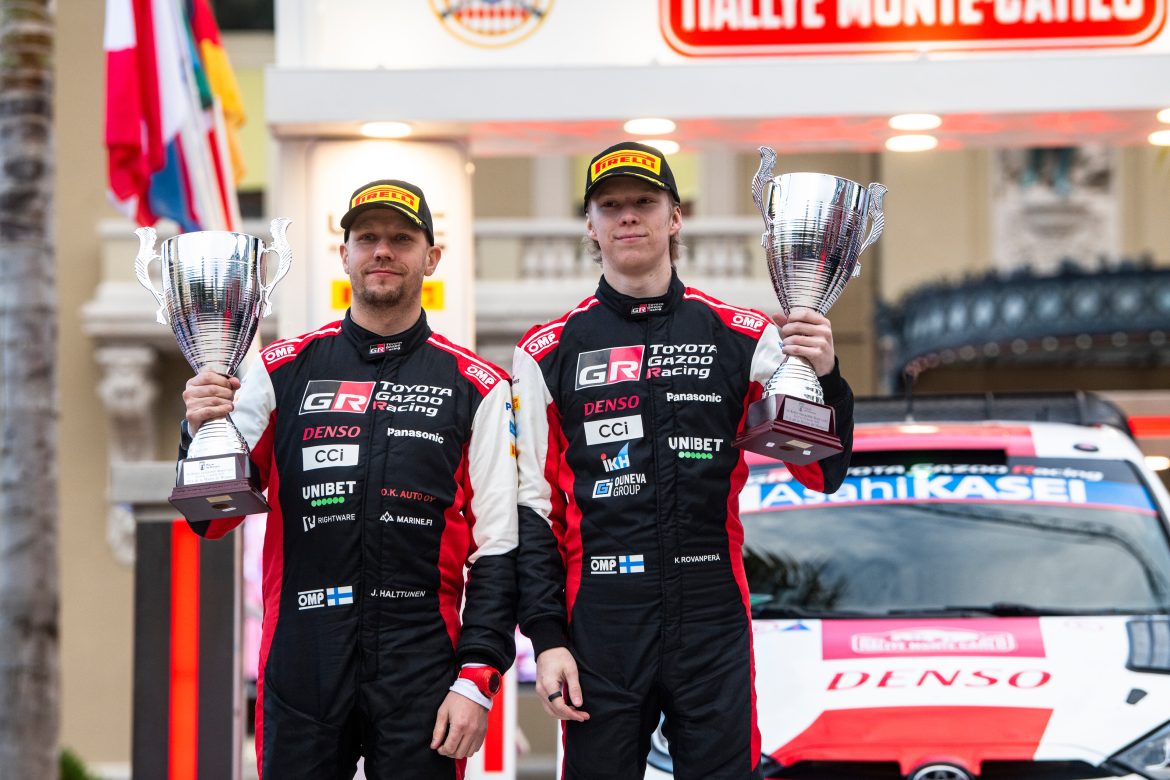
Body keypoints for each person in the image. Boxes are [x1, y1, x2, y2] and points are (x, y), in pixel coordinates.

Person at [512, 142, 854, 779]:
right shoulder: (546, 352)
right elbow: (534, 510)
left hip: (711, 612)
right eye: (610, 205)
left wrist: (827, 378)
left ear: (675, 217)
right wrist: (547, 638)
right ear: (590, 225)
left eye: (644, 202)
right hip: (602, 620)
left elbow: (820, 470)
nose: (628, 216)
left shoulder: (743, 337)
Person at [180, 179, 517, 780]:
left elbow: (498, 546)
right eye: (367, 238)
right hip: (303, 654)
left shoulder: (478, 385)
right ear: (345, 255)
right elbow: (210, 518)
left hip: (423, 659)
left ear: (431, 258)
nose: (382, 251)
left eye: (402, 239)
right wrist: (197, 431)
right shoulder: (280, 371)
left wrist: (477, 677)